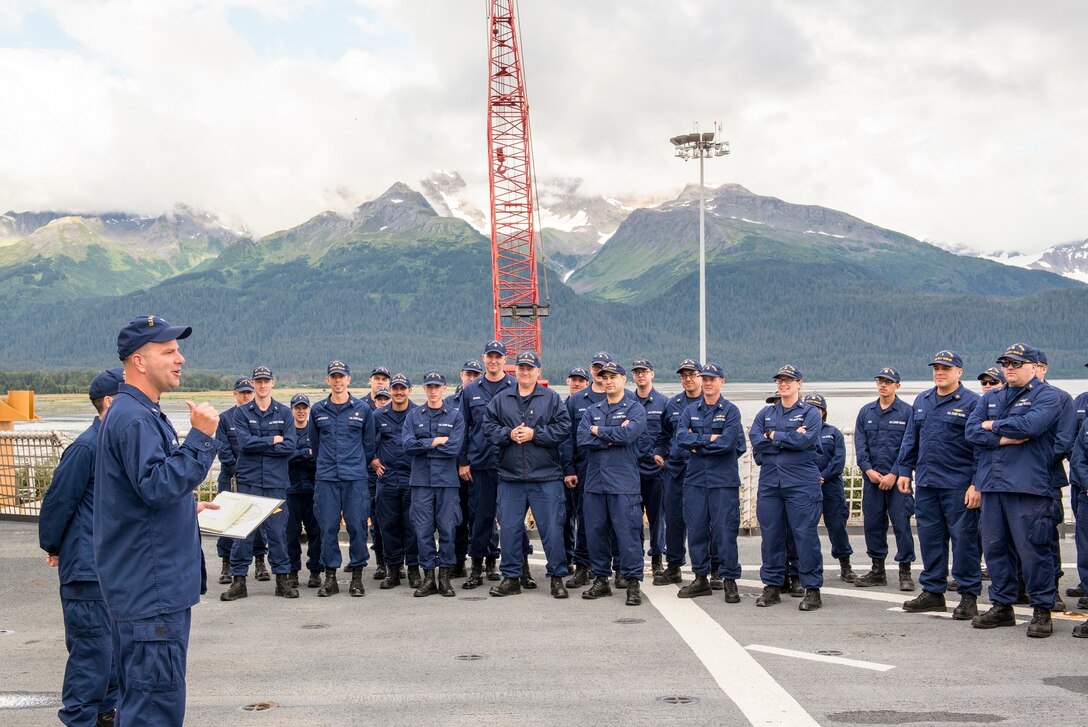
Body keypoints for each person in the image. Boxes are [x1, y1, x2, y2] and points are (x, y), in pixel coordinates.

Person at [93, 315, 220, 726]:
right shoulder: (134, 418)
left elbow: (143, 493)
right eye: (168, 351)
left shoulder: (138, 411)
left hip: (146, 587)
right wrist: (200, 437)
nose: (180, 358)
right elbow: (157, 485)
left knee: (144, 701)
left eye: (177, 349)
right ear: (139, 361)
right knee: (153, 710)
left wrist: (187, 508)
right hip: (152, 592)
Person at [39, 368, 122, 727]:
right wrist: (53, 544)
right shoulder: (86, 447)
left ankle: (106, 716)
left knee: (115, 659)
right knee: (91, 658)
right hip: (86, 571)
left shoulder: (116, 445)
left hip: (113, 568)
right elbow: (58, 501)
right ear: (109, 402)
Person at [967, 343, 1063, 636]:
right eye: (1006, 363)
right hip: (993, 485)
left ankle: (1042, 609)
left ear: (1034, 367)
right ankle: (1002, 605)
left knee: (1033, 550)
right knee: (995, 548)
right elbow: (970, 432)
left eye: (1016, 363)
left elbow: (1030, 427)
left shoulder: (1048, 396)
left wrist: (990, 427)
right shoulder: (992, 396)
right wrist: (1003, 437)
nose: (1009, 367)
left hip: (1028, 485)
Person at [894, 350, 982, 620]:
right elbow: (911, 438)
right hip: (928, 483)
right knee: (931, 539)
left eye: (946, 368)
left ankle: (968, 596)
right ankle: (933, 592)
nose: (940, 372)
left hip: (958, 484)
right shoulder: (923, 400)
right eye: (936, 368)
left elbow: (980, 448)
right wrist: (904, 470)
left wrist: (976, 483)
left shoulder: (972, 403)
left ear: (959, 372)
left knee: (964, 541)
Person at [484, 351, 572, 598]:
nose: (524, 372)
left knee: (552, 530)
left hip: (545, 476)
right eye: (521, 368)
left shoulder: (552, 399)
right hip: (511, 477)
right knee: (510, 529)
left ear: (538, 372)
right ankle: (511, 578)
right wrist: (508, 435)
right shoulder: (502, 399)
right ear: (515, 371)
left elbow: (564, 428)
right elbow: (488, 426)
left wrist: (536, 434)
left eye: (529, 368)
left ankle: (557, 578)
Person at [748, 365, 825, 611]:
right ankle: (772, 586)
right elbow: (757, 442)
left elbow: (807, 440)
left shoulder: (810, 413)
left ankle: (812, 589)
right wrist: (786, 437)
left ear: (799, 383)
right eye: (780, 380)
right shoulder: (765, 413)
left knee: (805, 535)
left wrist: (774, 437)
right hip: (771, 483)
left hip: (801, 483)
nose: (784, 384)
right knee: (771, 536)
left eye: (789, 380)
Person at [220, 366, 297, 601]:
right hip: (250, 481)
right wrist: (272, 440)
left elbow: (290, 446)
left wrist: (260, 444)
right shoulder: (241, 414)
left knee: (277, 533)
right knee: (244, 533)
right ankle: (239, 581)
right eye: (258, 381)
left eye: (266, 381)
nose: (262, 385)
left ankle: (282, 581)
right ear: (253, 384)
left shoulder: (284, 413)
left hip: (275, 482)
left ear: (273, 383)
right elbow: (245, 444)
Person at [674, 362, 746, 604]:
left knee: (725, 532)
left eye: (712, 379)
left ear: (721, 381)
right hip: (695, 480)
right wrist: (709, 440)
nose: (707, 383)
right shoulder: (690, 410)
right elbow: (681, 438)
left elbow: (728, 443)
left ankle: (729, 580)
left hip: (722, 481)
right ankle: (700, 577)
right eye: (703, 378)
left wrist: (698, 444)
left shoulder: (732, 411)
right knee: (696, 530)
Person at [577, 361, 647, 605]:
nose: (608, 381)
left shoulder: (635, 409)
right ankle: (600, 579)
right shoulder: (592, 410)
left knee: (627, 534)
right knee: (595, 533)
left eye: (613, 377)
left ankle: (632, 583)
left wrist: (599, 431)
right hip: (595, 484)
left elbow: (628, 435)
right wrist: (609, 434)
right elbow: (583, 438)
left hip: (623, 484)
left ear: (623, 379)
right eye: (603, 377)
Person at [458, 341, 525, 589]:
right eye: (490, 356)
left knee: (512, 518)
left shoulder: (516, 386)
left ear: (505, 359)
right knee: (481, 517)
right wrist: (463, 461)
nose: (494, 361)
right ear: (484, 358)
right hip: (481, 463)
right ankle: (477, 568)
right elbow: (463, 428)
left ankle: (517, 567)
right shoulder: (471, 390)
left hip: (511, 462)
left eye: (498, 357)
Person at [309, 360, 376, 598]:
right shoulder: (318, 410)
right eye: (333, 377)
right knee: (327, 527)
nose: (338, 381)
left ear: (349, 379)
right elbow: (315, 445)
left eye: (342, 376)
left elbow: (369, 446)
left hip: (354, 478)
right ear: (328, 380)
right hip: (327, 478)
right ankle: (330, 578)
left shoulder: (362, 410)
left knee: (358, 526)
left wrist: (356, 465)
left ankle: (357, 577)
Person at [403, 370, 466, 597]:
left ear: (444, 389)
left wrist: (424, 445)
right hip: (421, 483)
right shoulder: (413, 415)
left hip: (447, 483)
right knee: (423, 530)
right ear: (424, 389)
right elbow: (408, 445)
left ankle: (445, 577)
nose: (432, 390)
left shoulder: (456, 416)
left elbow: (454, 448)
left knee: (448, 529)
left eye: (436, 386)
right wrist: (435, 442)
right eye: (429, 386)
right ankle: (428, 576)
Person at [853, 367, 915, 590]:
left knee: (901, 525)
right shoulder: (866, 412)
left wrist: (894, 473)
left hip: (898, 482)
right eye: (880, 381)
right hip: (873, 481)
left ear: (897, 385)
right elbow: (860, 446)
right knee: (873, 525)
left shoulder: (907, 412)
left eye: (888, 382)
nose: (883, 385)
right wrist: (868, 470)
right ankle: (877, 570)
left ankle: (905, 572)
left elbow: (909, 446)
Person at [561, 352, 612, 587]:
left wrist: (598, 435)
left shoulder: (623, 399)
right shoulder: (577, 400)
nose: (599, 371)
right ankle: (582, 566)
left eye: (604, 368)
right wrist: (569, 469)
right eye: (596, 367)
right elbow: (570, 438)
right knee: (584, 520)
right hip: (584, 470)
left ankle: (616, 567)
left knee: (616, 521)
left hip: (615, 471)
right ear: (591, 370)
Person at [652, 358, 704, 587]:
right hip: (675, 470)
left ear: (701, 377)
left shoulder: (710, 403)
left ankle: (711, 569)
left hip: (701, 470)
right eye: (683, 375)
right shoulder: (673, 405)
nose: (688, 379)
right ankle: (673, 566)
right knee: (673, 520)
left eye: (692, 374)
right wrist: (659, 452)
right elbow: (663, 435)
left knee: (703, 521)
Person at [213, 378, 269, 585]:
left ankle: (260, 561)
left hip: (255, 476)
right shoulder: (225, 418)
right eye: (242, 392)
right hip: (231, 477)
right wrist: (239, 469)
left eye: (249, 392)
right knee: (228, 521)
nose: (246, 396)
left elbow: (261, 446)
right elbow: (223, 448)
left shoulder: (257, 416)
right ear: (234, 394)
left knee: (257, 520)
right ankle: (226, 563)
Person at [1035, 351, 1077, 612]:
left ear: (1044, 369)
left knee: (1047, 537)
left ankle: (1053, 589)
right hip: (1013, 480)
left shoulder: (1061, 399)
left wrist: (1031, 464)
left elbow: (1064, 442)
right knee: (1013, 538)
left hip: (1046, 478)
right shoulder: (1008, 397)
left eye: (1036, 366)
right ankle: (1020, 587)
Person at [373, 375, 421, 589]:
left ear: (409, 390)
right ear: (390, 390)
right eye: (395, 389)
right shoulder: (378, 415)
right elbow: (366, 441)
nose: (399, 392)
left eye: (403, 388)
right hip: (388, 477)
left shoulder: (419, 413)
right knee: (388, 525)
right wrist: (373, 460)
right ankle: (392, 569)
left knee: (412, 525)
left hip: (413, 477)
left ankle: (413, 568)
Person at [804, 394, 854, 582]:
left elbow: (838, 460)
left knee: (837, 526)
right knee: (805, 528)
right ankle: (806, 566)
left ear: (823, 412)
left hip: (830, 486)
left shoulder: (833, 433)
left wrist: (822, 476)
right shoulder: (800, 432)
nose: (813, 412)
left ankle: (845, 565)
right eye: (809, 408)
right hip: (806, 487)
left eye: (816, 408)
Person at [631, 359, 667, 577]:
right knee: (632, 518)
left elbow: (668, 434)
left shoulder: (663, 403)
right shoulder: (626, 401)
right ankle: (635, 556)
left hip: (655, 470)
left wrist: (661, 455)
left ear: (652, 374)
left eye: (644, 372)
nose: (640, 375)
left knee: (657, 518)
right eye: (636, 372)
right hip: (632, 469)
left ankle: (656, 558)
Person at [448, 360, 482, 577]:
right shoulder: (448, 403)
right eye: (468, 374)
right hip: (456, 468)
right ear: (461, 375)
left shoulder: (483, 398)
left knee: (481, 515)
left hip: (479, 464)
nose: (471, 378)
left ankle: (487, 561)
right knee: (458, 517)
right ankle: (458, 561)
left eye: (475, 375)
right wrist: (461, 461)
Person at [286, 393, 322, 589]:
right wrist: (304, 454)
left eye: (304, 407)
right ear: (292, 409)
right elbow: (284, 455)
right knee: (290, 533)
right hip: (291, 489)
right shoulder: (287, 430)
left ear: (308, 409)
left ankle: (315, 571)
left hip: (312, 489)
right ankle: (292, 571)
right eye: (297, 407)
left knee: (315, 532)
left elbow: (318, 455)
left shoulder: (313, 429)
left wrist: (300, 455)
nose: (301, 411)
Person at [364, 366, 390, 581]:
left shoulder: (395, 405)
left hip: (392, 471)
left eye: (384, 379)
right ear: (370, 381)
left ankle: (396, 561)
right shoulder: (361, 406)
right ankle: (380, 561)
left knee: (392, 518)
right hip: (370, 472)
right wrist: (371, 459)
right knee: (375, 517)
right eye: (377, 378)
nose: (380, 382)